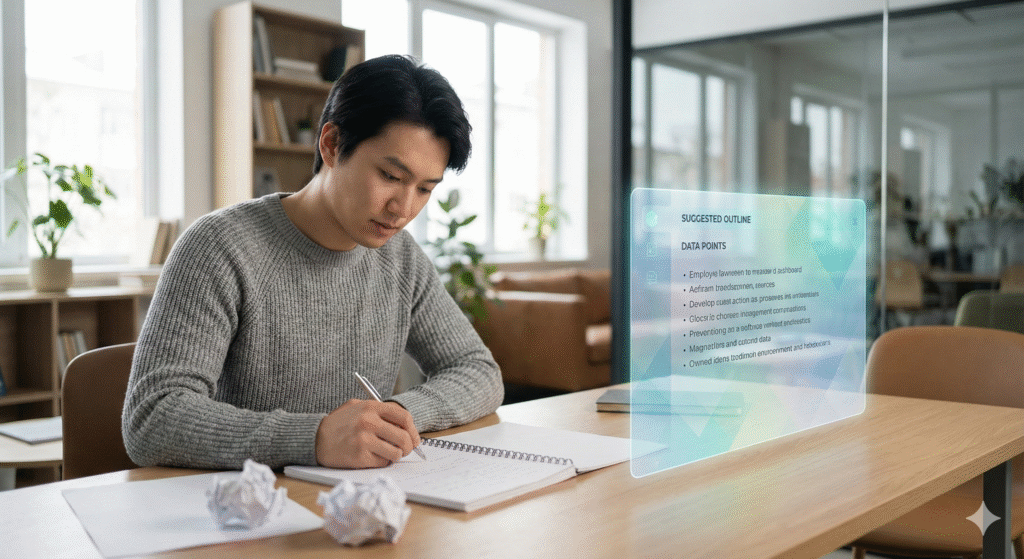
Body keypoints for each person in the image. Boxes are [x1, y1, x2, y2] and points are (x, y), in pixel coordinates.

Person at [122, 55, 504, 471]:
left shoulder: (401, 258)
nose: (404, 208)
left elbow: (477, 370)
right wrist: (315, 438)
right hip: (242, 502)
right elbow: (152, 417)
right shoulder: (220, 247)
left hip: (357, 498)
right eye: (391, 177)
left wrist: (392, 418)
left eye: (425, 188)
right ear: (332, 144)